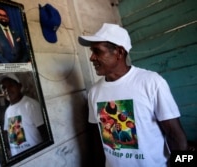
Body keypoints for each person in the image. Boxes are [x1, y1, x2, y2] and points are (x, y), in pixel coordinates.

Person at [78, 23, 188, 167]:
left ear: (119, 52)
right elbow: (97, 139)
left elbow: (176, 136)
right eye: (92, 51)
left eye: (97, 51)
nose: (92, 58)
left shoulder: (151, 82)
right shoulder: (94, 92)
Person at [0, 73, 45, 157]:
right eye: (4, 88)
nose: (7, 90)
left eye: (11, 85)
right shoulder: (8, 111)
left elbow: (44, 133)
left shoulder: (31, 105)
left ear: (19, 86)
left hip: (35, 157)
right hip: (18, 157)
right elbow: (9, 134)